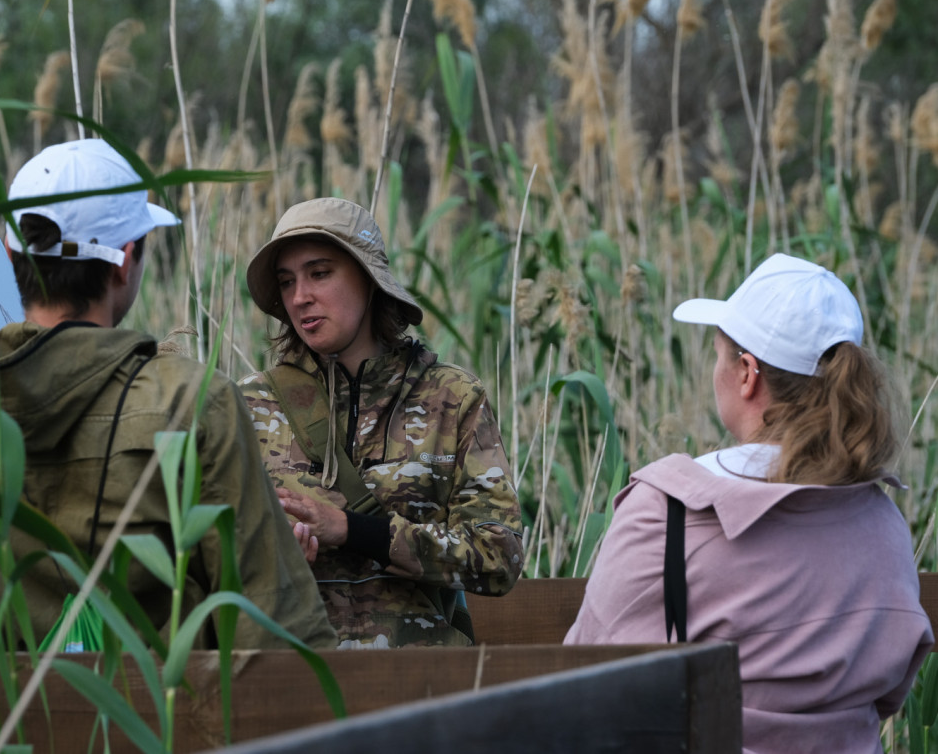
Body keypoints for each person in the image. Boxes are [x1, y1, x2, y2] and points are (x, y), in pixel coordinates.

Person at [0, 139, 336, 652]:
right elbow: (277, 638)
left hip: (5, 730)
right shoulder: (193, 403)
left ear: (14, 255)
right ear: (125, 261)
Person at [565, 253, 933, 752]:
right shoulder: (880, 519)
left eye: (719, 354)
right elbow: (890, 689)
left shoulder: (668, 513)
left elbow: (585, 676)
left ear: (746, 373)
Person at [239, 197, 524, 648]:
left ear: (370, 281)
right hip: (297, 683)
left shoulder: (451, 398)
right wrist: (270, 558)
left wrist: (353, 530)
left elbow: (498, 559)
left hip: (422, 689)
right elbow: (206, 563)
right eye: (287, 281)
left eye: (320, 272)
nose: (299, 297)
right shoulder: (249, 406)